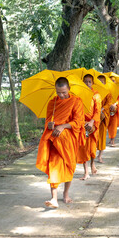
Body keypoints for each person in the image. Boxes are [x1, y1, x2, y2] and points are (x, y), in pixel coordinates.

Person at [35, 77, 85, 208]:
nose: (61, 95)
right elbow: (47, 122)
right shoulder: (52, 103)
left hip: (69, 140)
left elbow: (78, 122)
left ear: (69, 89)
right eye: (58, 92)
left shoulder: (76, 101)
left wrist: (63, 126)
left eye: (63, 92)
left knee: (69, 166)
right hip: (55, 140)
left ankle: (66, 194)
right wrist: (49, 125)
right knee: (54, 167)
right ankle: (54, 199)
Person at [77, 74, 102, 180]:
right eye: (85, 81)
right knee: (83, 148)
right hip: (82, 124)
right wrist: (82, 123)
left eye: (89, 82)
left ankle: (92, 164)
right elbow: (77, 111)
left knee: (92, 148)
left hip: (93, 124)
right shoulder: (78, 95)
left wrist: (91, 122)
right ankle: (86, 172)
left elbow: (97, 111)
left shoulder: (96, 95)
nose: (87, 83)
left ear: (92, 83)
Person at [96, 75, 112, 163]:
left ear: (105, 83)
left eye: (102, 82)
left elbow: (109, 103)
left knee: (102, 136)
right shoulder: (94, 92)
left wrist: (102, 109)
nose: (101, 83)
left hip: (103, 115)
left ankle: (100, 156)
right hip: (94, 116)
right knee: (93, 136)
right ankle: (90, 154)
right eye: (99, 82)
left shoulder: (108, 92)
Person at [108, 75, 119, 147]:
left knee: (113, 126)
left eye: (113, 80)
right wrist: (109, 105)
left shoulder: (118, 89)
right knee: (107, 125)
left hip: (115, 109)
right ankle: (110, 140)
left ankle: (112, 140)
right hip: (107, 109)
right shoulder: (106, 89)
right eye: (110, 81)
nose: (112, 82)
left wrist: (114, 104)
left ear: (115, 81)